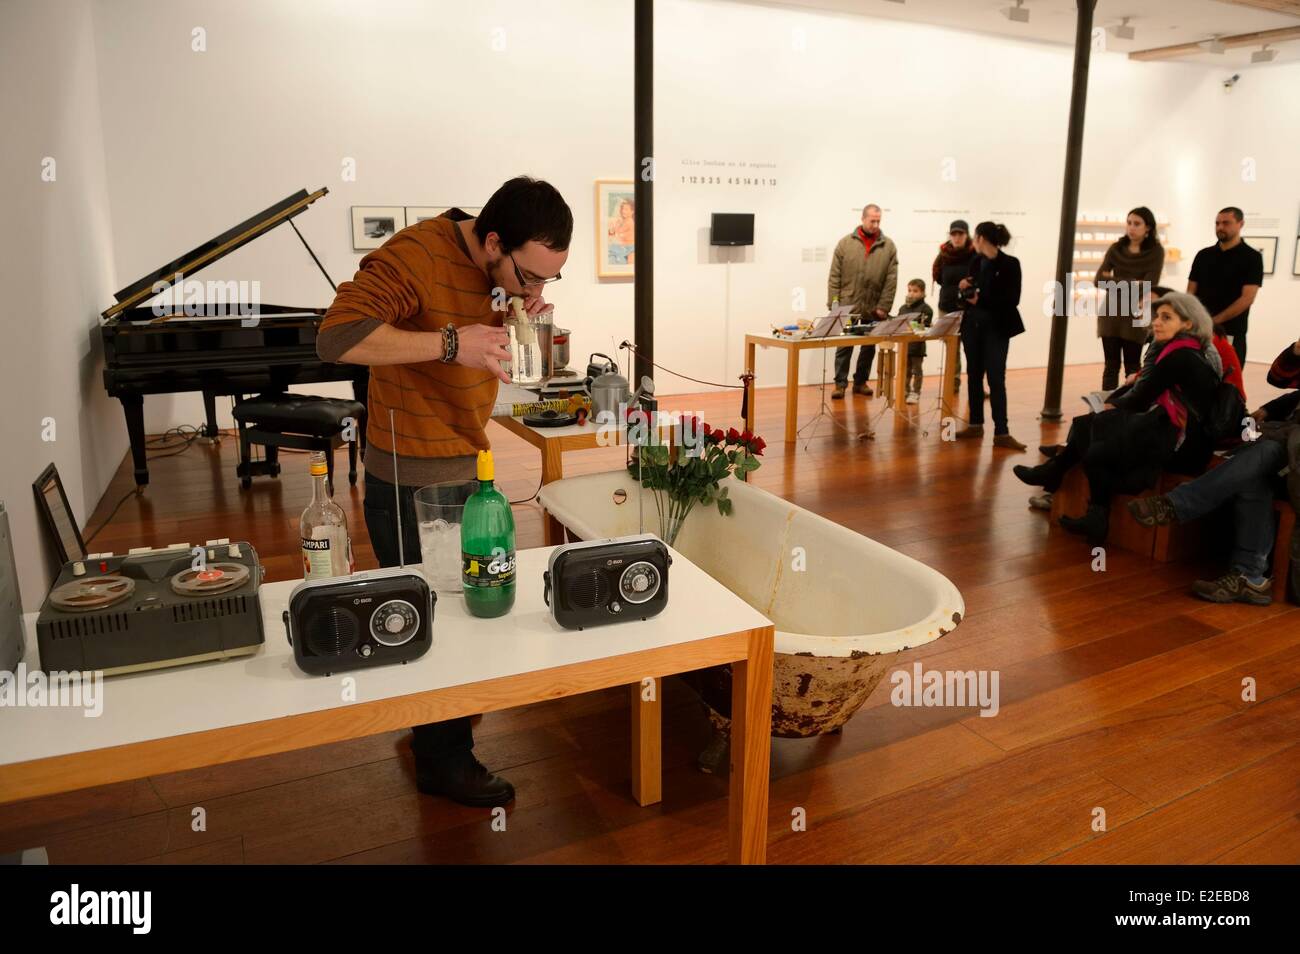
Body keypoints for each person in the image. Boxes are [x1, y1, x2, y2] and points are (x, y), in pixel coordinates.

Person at [317, 176, 572, 807]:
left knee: (467, 598)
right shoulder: (415, 255)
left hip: (465, 458)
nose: (536, 290)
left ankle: (439, 724)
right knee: (431, 614)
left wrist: (520, 314)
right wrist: (451, 342)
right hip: (409, 474)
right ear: (491, 241)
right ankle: (442, 760)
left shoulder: (497, 268)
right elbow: (335, 336)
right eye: (530, 276)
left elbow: (490, 339)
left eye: (549, 281)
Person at [1014, 293, 1221, 545]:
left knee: (1095, 432)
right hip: (1177, 433)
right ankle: (1087, 507)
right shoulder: (1185, 351)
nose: (1156, 322)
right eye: (1156, 316)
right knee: (1094, 431)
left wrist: (1109, 406)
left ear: (1188, 324)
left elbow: (1141, 398)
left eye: (1166, 317)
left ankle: (1057, 475)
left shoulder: (1180, 355)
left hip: (1183, 444)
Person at [1127, 337, 1300, 605]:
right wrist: (1295, 354)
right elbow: (1278, 379)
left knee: (1263, 453)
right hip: (1282, 458)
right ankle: (1250, 578)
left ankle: (1176, 505)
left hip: (1291, 461)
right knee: (1252, 476)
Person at [953, 222, 1026, 449]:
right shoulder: (975, 262)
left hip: (997, 327)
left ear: (981, 238)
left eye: (975, 237)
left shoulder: (1010, 264)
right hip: (972, 326)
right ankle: (976, 424)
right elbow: (968, 294)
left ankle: (1001, 432)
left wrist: (981, 299)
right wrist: (963, 289)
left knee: (996, 378)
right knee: (973, 375)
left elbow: (1012, 299)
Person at [830, 203, 898, 399]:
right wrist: (834, 304)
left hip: (874, 305)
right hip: (847, 304)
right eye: (872, 220)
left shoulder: (888, 246)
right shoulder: (845, 243)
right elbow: (834, 276)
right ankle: (840, 384)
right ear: (863, 218)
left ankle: (861, 382)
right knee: (844, 344)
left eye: (878, 221)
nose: (875, 224)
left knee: (869, 346)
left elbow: (891, 279)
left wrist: (884, 306)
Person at [1096, 206, 1163, 390]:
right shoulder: (1116, 248)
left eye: (1137, 224)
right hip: (1111, 312)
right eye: (1129, 223)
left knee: (1133, 367)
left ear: (1148, 227)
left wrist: (1114, 281)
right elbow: (1099, 280)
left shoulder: (1156, 251)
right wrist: (1132, 282)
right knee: (1110, 366)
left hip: (1137, 314)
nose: (1131, 227)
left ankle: (1130, 412)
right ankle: (1106, 412)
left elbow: (1150, 283)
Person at [1188, 206, 1264, 364]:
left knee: (1228, 381)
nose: (1220, 227)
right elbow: (1190, 292)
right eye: (1217, 223)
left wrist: (1215, 321)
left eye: (1226, 223)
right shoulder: (1203, 255)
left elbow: (1247, 298)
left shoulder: (1252, 257)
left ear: (1240, 224)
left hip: (1231, 331)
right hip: (1199, 329)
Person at [932, 220, 976, 395]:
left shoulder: (975, 255)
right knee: (952, 348)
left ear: (967, 235)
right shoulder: (943, 255)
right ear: (950, 235)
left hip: (969, 308)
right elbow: (938, 277)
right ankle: (953, 383)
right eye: (954, 234)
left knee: (972, 348)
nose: (957, 238)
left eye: (961, 234)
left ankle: (976, 384)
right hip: (947, 307)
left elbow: (979, 277)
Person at [898, 279, 934, 404]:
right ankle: (905, 390)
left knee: (917, 371)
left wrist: (911, 325)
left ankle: (916, 392)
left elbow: (926, 326)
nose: (911, 294)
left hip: (917, 347)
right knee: (905, 370)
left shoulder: (926, 309)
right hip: (905, 346)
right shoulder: (903, 308)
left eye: (915, 291)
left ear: (923, 293)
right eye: (909, 290)